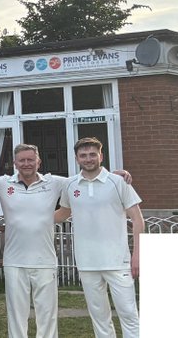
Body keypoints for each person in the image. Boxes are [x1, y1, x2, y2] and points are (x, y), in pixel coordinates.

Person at [55, 137, 142, 338]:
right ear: (77, 158)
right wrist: (31, 217)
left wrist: (137, 254)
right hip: (87, 262)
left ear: (101, 156)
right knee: (99, 318)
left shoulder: (119, 182)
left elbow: (137, 219)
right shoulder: (70, 185)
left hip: (118, 261)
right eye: (83, 155)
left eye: (92, 154)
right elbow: (63, 214)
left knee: (129, 314)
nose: (88, 159)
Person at [0, 144, 65, 338]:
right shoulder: (3, 183)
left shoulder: (54, 182)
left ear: (38, 161)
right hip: (14, 261)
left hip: (45, 261)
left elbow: (85, 181)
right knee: (17, 316)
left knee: (47, 316)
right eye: (22, 160)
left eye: (30, 160)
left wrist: (117, 175)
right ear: (15, 163)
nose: (27, 164)